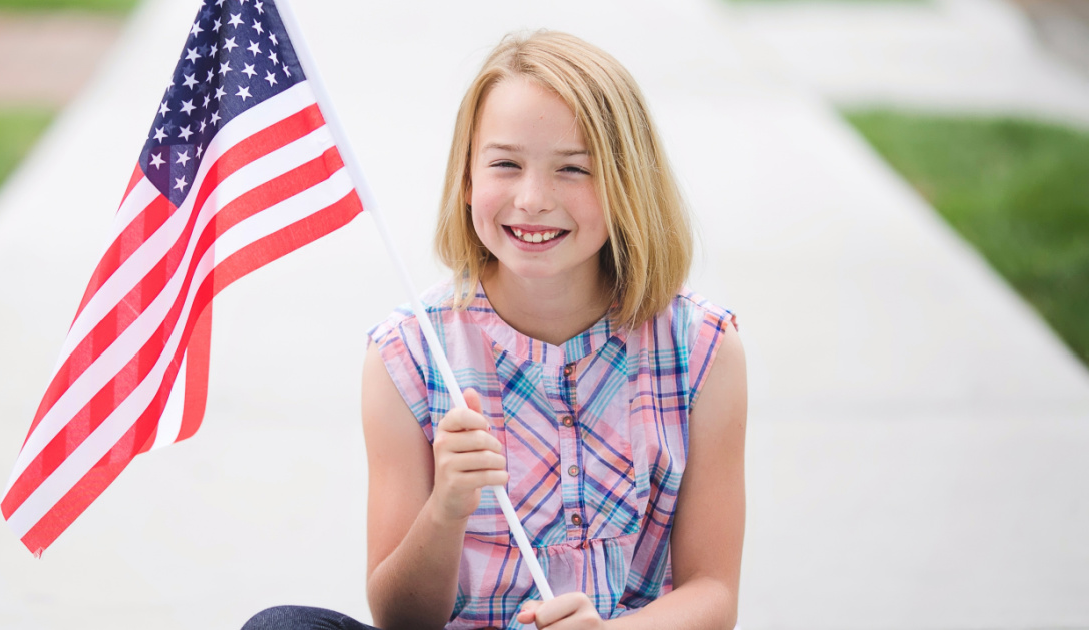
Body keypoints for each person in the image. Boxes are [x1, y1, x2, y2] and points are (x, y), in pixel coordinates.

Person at [244, 30, 746, 630]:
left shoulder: (701, 348)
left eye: (574, 169)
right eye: (506, 164)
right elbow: (400, 618)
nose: (533, 199)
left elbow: (714, 592)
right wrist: (447, 507)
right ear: (466, 180)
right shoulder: (408, 356)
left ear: (627, 182)